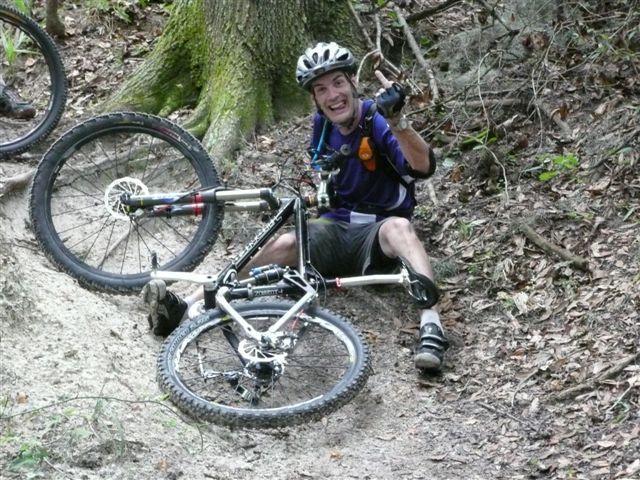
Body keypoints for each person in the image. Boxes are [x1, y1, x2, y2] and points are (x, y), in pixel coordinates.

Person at [143, 42, 450, 371]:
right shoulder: (322, 128)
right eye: (321, 89)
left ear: (352, 84)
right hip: (336, 229)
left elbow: (423, 167)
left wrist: (398, 121)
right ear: (314, 99)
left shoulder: (376, 119)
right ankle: (189, 304)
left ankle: (431, 324)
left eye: (338, 83)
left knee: (399, 227)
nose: (333, 95)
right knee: (285, 242)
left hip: (378, 236)